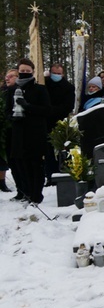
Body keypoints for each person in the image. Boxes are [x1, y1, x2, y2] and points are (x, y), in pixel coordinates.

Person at [4, 58, 51, 204]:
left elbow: (46, 110)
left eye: (27, 71)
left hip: (35, 133)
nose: (24, 73)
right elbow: (7, 110)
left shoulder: (39, 89)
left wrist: (27, 106)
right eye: (22, 71)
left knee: (35, 165)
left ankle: (36, 195)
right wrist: (13, 117)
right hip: (19, 132)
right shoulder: (12, 90)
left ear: (32, 72)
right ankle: (27, 193)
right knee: (22, 165)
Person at [44, 63, 75, 185]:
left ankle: (62, 174)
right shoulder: (44, 84)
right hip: (45, 122)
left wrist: (52, 110)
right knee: (48, 152)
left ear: (62, 74)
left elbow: (68, 106)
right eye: (54, 73)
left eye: (59, 73)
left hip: (60, 122)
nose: (56, 75)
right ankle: (49, 175)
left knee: (62, 150)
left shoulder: (68, 87)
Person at [0, 69, 19, 192]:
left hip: (7, 128)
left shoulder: (13, 91)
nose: (8, 79)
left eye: (11, 76)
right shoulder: (3, 91)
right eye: (7, 76)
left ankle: (2, 181)